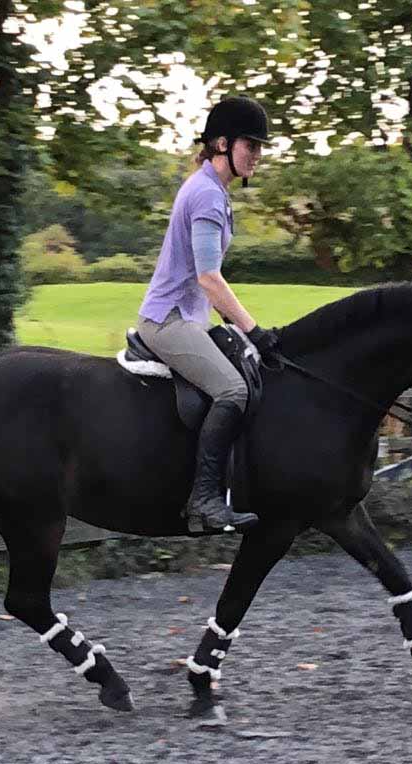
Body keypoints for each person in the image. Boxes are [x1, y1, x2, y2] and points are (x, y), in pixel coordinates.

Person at [137, 95, 280, 535]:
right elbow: (209, 279)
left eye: (260, 147)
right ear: (222, 144)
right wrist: (253, 329)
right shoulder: (207, 196)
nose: (257, 155)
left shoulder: (210, 189)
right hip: (168, 321)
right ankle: (204, 500)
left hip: (189, 318)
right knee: (233, 391)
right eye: (250, 145)